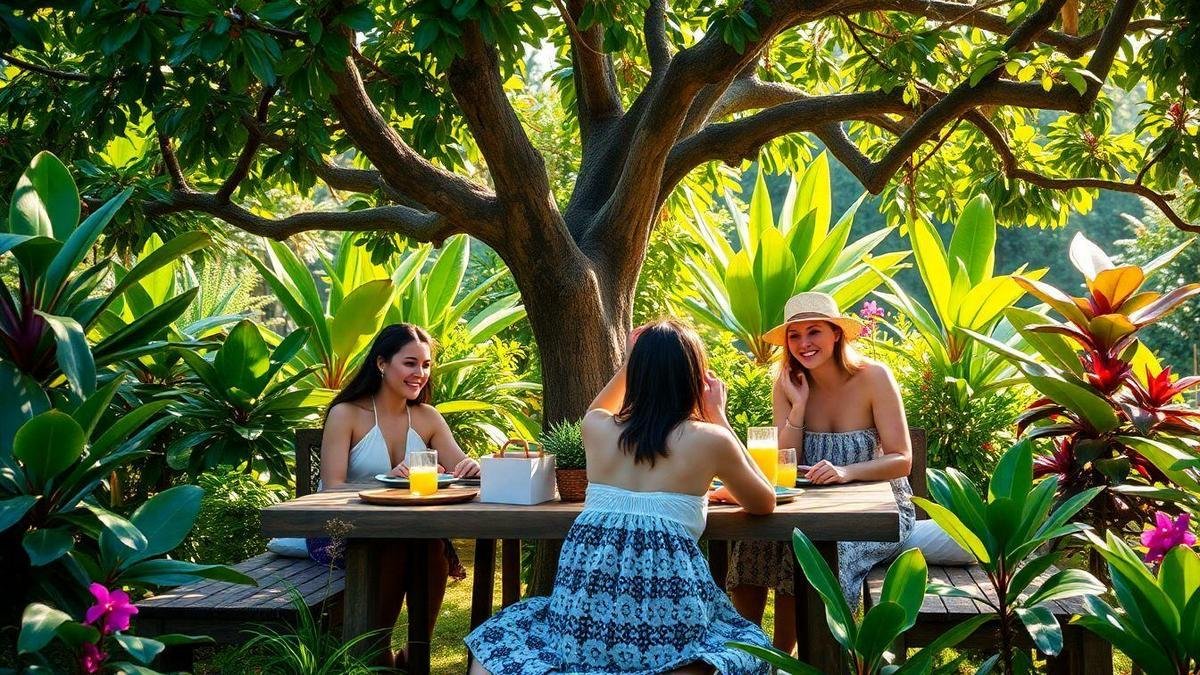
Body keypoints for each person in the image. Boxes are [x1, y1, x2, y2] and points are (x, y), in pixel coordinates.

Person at [466, 320, 777, 675]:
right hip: (666, 618)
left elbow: (599, 406)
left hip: (584, 617)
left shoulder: (597, 429)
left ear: (635, 373)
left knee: (512, 632)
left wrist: (631, 360)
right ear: (694, 376)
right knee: (746, 645)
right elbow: (763, 500)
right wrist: (719, 416)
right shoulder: (710, 439)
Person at [726, 291, 917, 654]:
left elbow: (902, 459)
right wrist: (798, 406)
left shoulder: (875, 377)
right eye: (794, 336)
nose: (803, 344)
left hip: (876, 511)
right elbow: (785, 460)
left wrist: (846, 471)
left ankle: (789, 657)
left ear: (836, 334)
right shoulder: (787, 383)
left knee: (815, 552)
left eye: (813, 332)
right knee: (753, 543)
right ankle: (744, 656)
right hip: (806, 506)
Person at [312, 323, 480, 667]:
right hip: (343, 531)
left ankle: (416, 654)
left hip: (408, 531)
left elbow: (460, 464)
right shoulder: (346, 414)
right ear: (381, 363)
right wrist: (386, 480)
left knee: (432, 547)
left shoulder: (427, 418)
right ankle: (381, 654)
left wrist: (473, 467)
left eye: (426, 365)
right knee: (395, 546)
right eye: (410, 363)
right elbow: (331, 488)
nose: (420, 373)